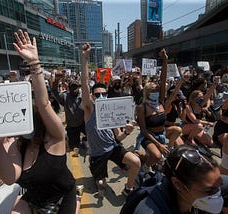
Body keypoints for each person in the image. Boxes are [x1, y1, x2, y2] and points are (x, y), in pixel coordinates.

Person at [0, 29, 77, 213]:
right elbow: (10, 177)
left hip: (62, 197)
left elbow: (43, 103)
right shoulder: (18, 145)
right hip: (33, 197)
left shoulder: (55, 137)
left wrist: (34, 64)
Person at [80, 43, 141, 196]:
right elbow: (85, 85)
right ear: (93, 97)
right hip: (97, 154)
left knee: (136, 162)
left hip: (112, 148)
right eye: (97, 94)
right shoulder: (89, 109)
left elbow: (119, 136)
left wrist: (127, 132)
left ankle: (128, 188)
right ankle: (99, 176)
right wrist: (85, 59)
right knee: (101, 185)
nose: (101, 96)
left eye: (103, 94)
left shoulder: (112, 111)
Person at [130, 144, 228, 214]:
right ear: (178, 184)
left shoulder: (209, 183)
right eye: (209, 191)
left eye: (219, 185)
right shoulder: (149, 210)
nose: (218, 194)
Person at [136, 49, 170, 172]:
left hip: (162, 134)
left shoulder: (160, 101)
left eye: (157, 90)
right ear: (147, 93)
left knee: (177, 130)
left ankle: (156, 160)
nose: (156, 92)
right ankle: (146, 166)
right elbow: (144, 131)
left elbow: (163, 79)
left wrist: (165, 60)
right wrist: (158, 144)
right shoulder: (142, 107)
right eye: (152, 91)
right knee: (157, 156)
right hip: (149, 137)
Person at [52, 74, 85, 157]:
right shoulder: (65, 97)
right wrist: (56, 80)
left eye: (76, 87)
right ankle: (73, 141)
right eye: (72, 87)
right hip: (72, 126)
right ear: (69, 88)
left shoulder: (83, 97)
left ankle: (85, 140)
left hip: (83, 124)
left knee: (92, 137)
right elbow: (54, 92)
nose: (74, 89)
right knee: (73, 147)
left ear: (79, 88)